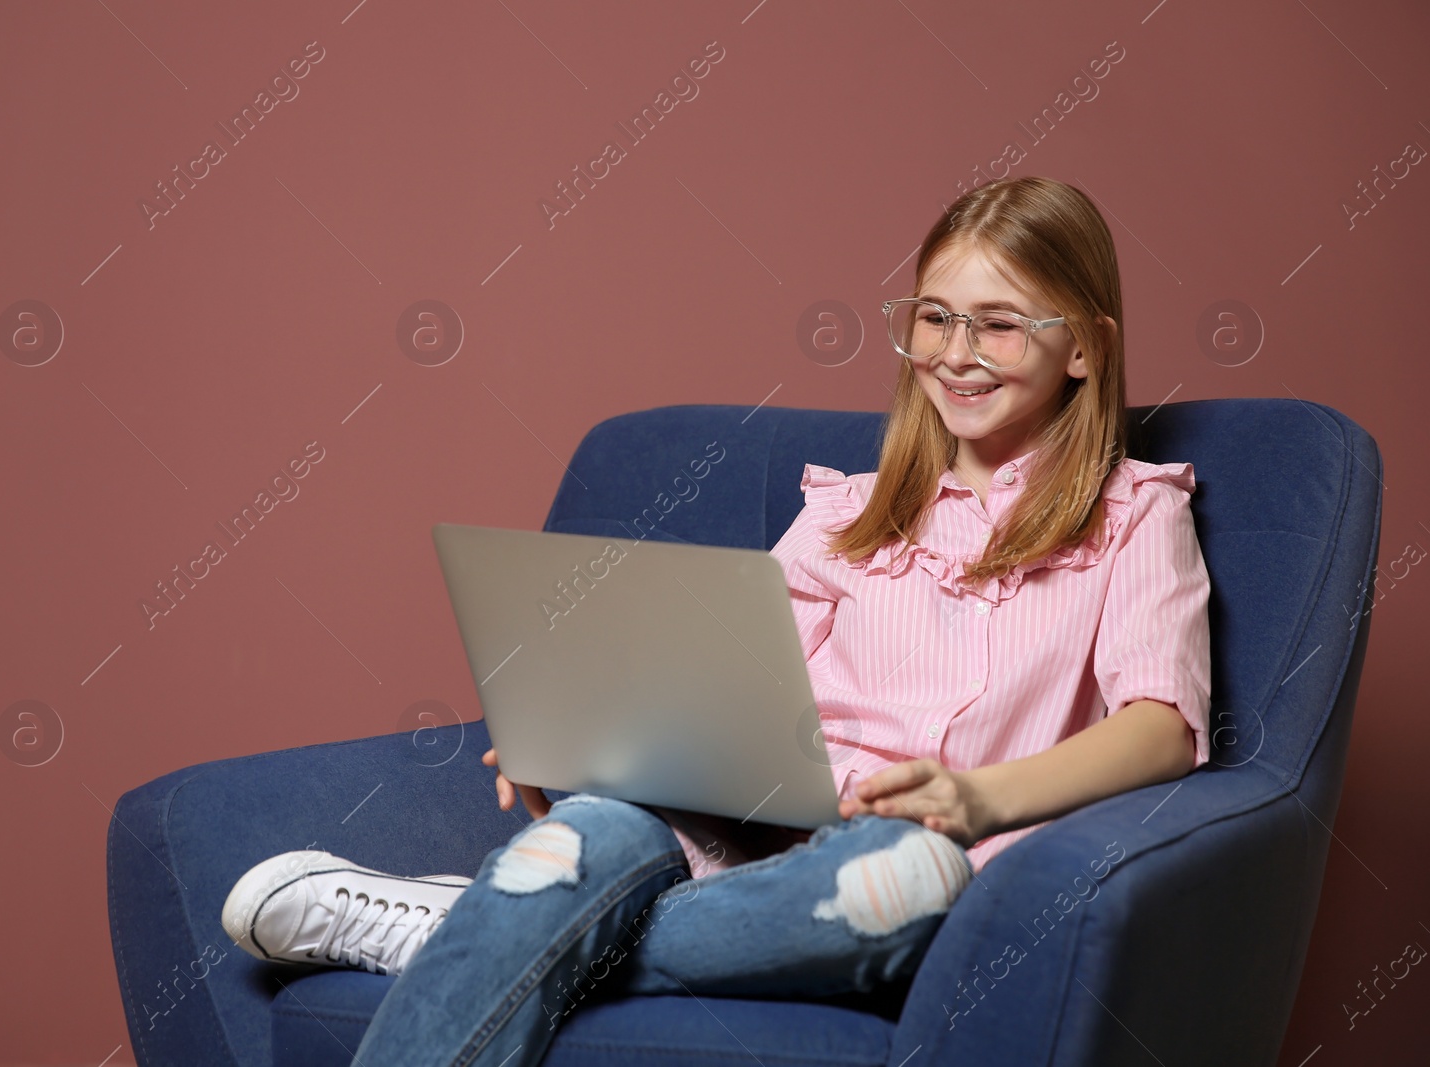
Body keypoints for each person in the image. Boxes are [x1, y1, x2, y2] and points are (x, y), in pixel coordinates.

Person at [218, 175, 1212, 1067]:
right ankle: (523, 906)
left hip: (898, 862)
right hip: (728, 839)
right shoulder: (845, 515)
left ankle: (483, 931)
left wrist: (977, 797)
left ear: (1085, 344)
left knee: (903, 872)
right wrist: (572, 735)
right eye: (933, 319)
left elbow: (1161, 726)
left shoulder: (1136, 513)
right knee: (592, 828)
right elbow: (721, 685)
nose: (954, 355)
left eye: (998, 324)